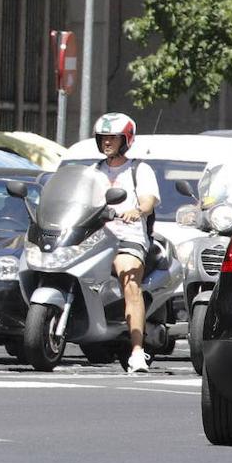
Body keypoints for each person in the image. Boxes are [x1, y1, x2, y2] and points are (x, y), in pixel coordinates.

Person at [91, 112, 159, 374]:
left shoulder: (139, 169)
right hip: (95, 238)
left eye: (113, 137)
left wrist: (137, 211)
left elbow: (148, 201)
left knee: (130, 282)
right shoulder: (93, 171)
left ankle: (137, 352)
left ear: (126, 139)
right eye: (103, 137)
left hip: (127, 238)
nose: (107, 142)